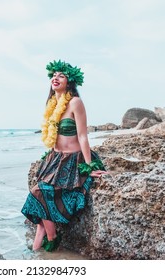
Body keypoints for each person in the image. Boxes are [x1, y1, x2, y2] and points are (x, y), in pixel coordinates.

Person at [21, 60, 107, 252]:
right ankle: (40, 239)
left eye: (61, 75)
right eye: (54, 75)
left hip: (73, 160)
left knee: (39, 192)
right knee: (40, 197)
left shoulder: (75, 102)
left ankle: (51, 236)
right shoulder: (53, 104)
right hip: (55, 159)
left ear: (70, 81)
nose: (55, 78)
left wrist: (89, 166)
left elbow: (83, 136)